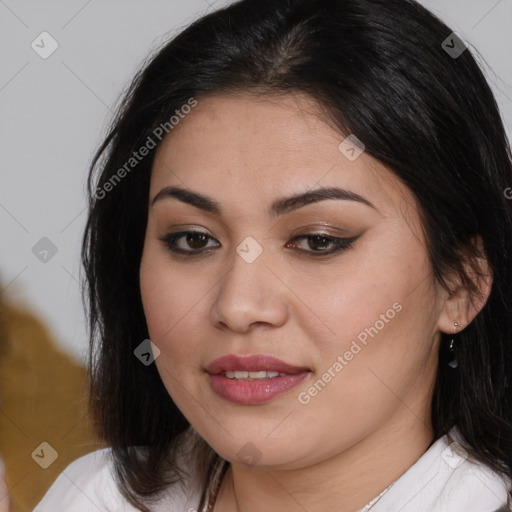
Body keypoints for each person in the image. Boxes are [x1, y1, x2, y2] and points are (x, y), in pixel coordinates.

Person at [34, 0, 512, 510]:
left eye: (318, 241)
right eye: (194, 239)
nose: (238, 306)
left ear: (461, 282)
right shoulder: (93, 496)